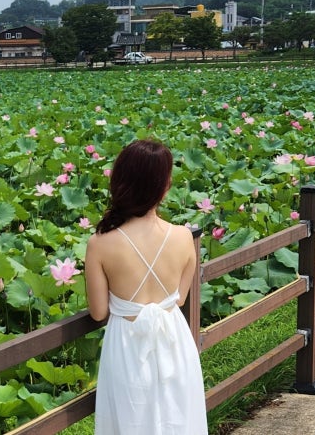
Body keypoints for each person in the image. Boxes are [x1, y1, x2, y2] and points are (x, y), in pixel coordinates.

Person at [85, 139, 207, 434]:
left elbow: (99, 312)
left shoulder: (99, 244)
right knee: (178, 419)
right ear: (163, 187)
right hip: (174, 341)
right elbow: (178, 300)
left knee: (129, 421)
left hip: (126, 345)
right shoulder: (183, 237)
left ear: (120, 181)